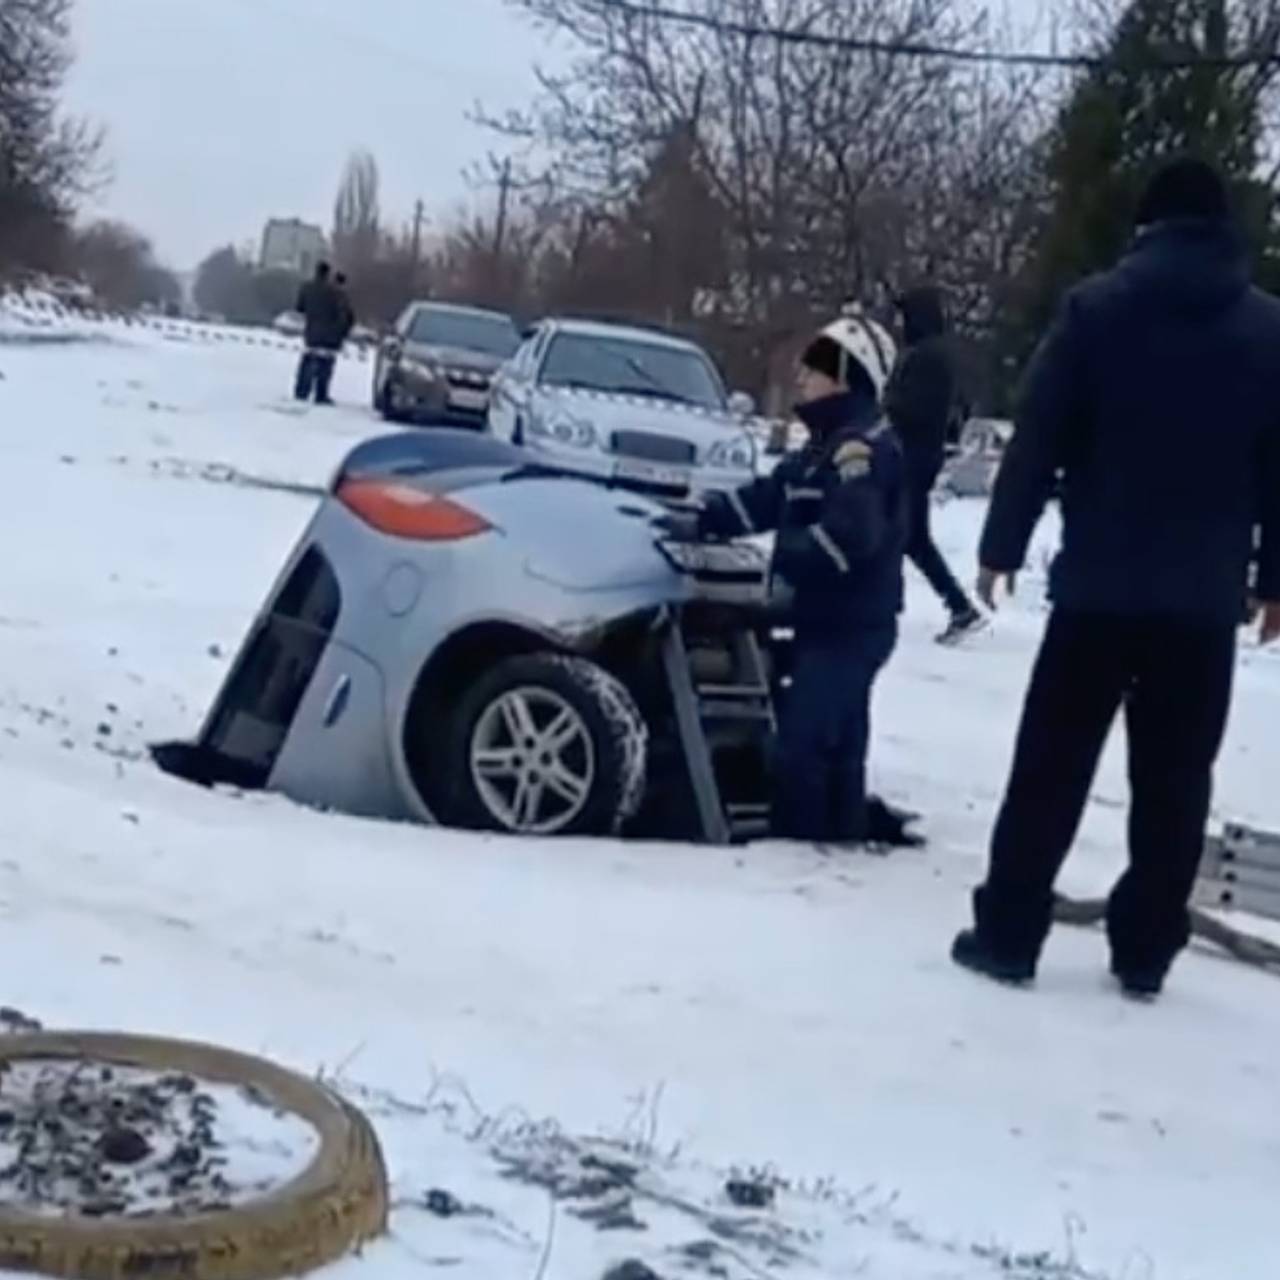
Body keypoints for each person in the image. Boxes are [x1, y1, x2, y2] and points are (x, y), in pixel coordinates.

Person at [952, 158, 1280, 999]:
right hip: (1203, 598)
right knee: (1175, 780)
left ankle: (1009, 934)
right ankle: (1144, 949)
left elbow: (1040, 435)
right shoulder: (1267, 332)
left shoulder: (1096, 311)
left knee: (1052, 764)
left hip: (1098, 585)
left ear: (1148, 226)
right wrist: (1275, 579)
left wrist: (1003, 542)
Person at [694, 308, 908, 845]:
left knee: (805, 745)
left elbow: (852, 538)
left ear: (843, 378)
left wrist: (789, 556)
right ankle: (842, 836)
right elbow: (771, 497)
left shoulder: (862, 450)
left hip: (851, 627)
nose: (801, 379)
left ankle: (803, 849)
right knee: (840, 742)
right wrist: (705, 519)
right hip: (829, 622)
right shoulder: (822, 447)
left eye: (813, 371)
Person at [885, 285, 985, 645]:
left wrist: (888, 406)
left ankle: (954, 606)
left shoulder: (929, 357)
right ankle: (956, 606)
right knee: (909, 536)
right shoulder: (925, 352)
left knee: (902, 534)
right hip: (914, 454)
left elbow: (917, 408)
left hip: (915, 455)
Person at [294, 261, 348, 405]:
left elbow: (299, 308)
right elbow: (343, 314)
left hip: (311, 332)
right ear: (328, 273)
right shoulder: (335, 292)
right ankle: (321, 394)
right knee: (325, 366)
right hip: (330, 335)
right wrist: (340, 332)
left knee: (308, 361)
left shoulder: (306, 287)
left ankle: (301, 391)